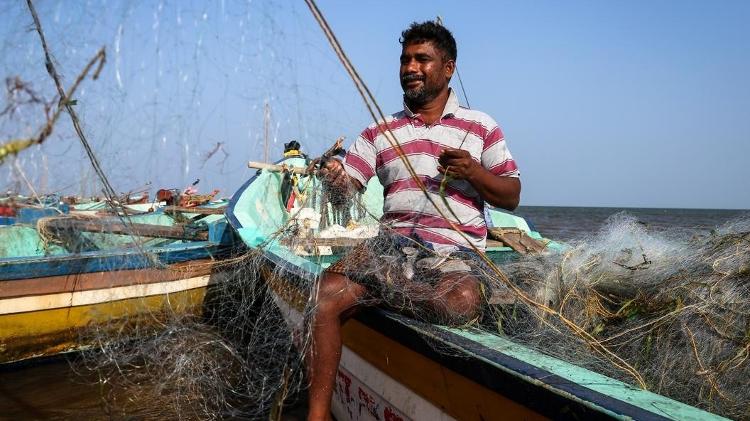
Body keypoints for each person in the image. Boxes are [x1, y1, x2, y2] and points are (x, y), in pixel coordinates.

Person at [306, 21, 521, 420]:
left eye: (423, 59)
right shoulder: (378, 130)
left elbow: (511, 195)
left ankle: (382, 293)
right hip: (391, 247)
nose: (411, 67)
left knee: (461, 303)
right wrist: (335, 178)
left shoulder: (481, 127)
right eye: (406, 59)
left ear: (448, 68)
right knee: (322, 297)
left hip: (453, 252)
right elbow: (348, 187)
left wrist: (473, 171)